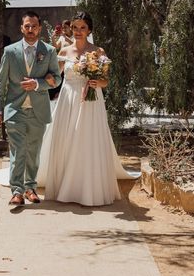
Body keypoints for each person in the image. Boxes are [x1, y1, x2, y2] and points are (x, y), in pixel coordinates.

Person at [37, 12, 136, 206]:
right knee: (67, 139)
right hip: (68, 99)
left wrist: (96, 81)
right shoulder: (64, 52)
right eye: (75, 28)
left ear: (89, 29)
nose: (78, 31)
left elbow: (106, 81)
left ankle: (88, 188)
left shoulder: (99, 51)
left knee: (87, 139)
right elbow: (54, 78)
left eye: (83, 28)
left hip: (91, 100)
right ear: (71, 29)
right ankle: (65, 186)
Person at [0, 11, 61, 206]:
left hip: (39, 111)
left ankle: (30, 188)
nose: (30, 30)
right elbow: (0, 83)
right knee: (18, 150)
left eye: (34, 26)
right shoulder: (10, 52)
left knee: (33, 152)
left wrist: (38, 84)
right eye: (27, 26)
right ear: (21, 28)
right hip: (15, 110)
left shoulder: (49, 51)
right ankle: (17, 191)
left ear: (39, 28)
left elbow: (56, 79)